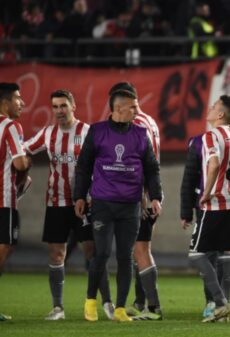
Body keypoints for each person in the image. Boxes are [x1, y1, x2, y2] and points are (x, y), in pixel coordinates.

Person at [24, 89, 114, 321]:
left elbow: (107, 161)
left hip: (86, 202)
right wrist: (22, 172)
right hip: (56, 202)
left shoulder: (88, 132)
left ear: (73, 106)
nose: (59, 111)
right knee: (56, 253)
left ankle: (107, 302)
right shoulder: (47, 134)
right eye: (55, 107)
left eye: (63, 106)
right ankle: (58, 308)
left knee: (92, 251)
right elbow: (22, 150)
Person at [74, 88, 162, 322]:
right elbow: (83, 166)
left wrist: (156, 197)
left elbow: (152, 168)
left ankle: (121, 308)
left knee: (125, 257)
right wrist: (79, 196)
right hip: (103, 203)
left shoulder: (141, 134)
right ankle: (91, 301)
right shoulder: (97, 131)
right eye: (133, 106)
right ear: (119, 108)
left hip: (131, 205)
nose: (137, 110)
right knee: (101, 254)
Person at [181, 95, 230, 323]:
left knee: (197, 253)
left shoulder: (211, 136)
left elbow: (212, 165)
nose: (210, 108)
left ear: (221, 114)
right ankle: (223, 312)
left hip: (214, 206)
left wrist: (208, 192)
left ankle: (221, 303)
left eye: (214, 106)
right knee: (227, 254)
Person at [107, 82, 163, 320]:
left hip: (141, 195)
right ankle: (140, 302)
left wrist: (142, 198)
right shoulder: (149, 120)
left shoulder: (136, 125)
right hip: (150, 193)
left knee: (141, 250)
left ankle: (154, 307)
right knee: (138, 250)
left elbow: (138, 164)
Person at [0, 83, 31, 321]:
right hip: (4, 200)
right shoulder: (10, 126)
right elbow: (20, 164)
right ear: (6, 103)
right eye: (18, 98)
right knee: (5, 246)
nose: (22, 103)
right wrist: (26, 167)